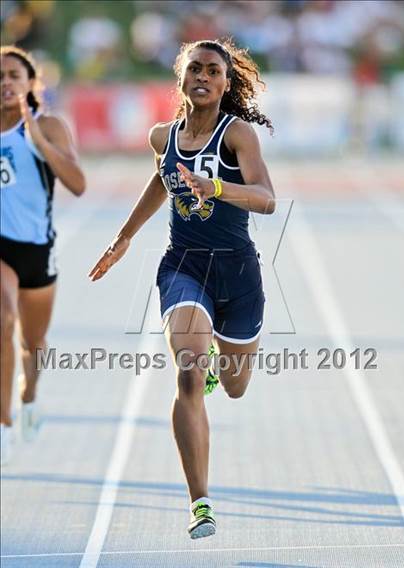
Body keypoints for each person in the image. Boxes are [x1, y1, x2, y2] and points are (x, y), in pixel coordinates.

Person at [89, 38, 275, 539]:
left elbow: (266, 198)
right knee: (188, 375)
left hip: (238, 275)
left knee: (234, 388)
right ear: (182, 78)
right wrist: (123, 237)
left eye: (214, 70)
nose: (204, 77)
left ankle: (222, 366)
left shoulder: (238, 136)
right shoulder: (162, 136)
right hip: (183, 268)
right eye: (195, 68)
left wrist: (217, 187)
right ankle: (201, 502)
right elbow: (161, 179)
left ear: (225, 82)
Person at [0, 46, 86, 465]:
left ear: (29, 83)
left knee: (33, 344)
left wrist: (37, 142)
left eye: (13, 74)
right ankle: (3, 424)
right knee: (2, 318)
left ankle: (29, 395)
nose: (5, 82)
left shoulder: (49, 125)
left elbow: (78, 183)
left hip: (35, 249)